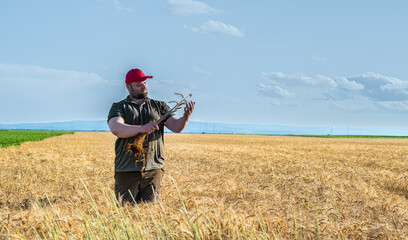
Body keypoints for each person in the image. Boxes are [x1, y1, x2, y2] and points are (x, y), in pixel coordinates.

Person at [107, 68, 195, 205]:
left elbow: (176, 127)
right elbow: (116, 128)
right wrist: (141, 128)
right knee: (124, 214)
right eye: (138, 84)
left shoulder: (159, 106)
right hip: (127, 170)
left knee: (149, 217)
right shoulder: (120, 107)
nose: (143, 87)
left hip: (153, 170)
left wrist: (186, 117)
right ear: (128, 87)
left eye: (145, 83)